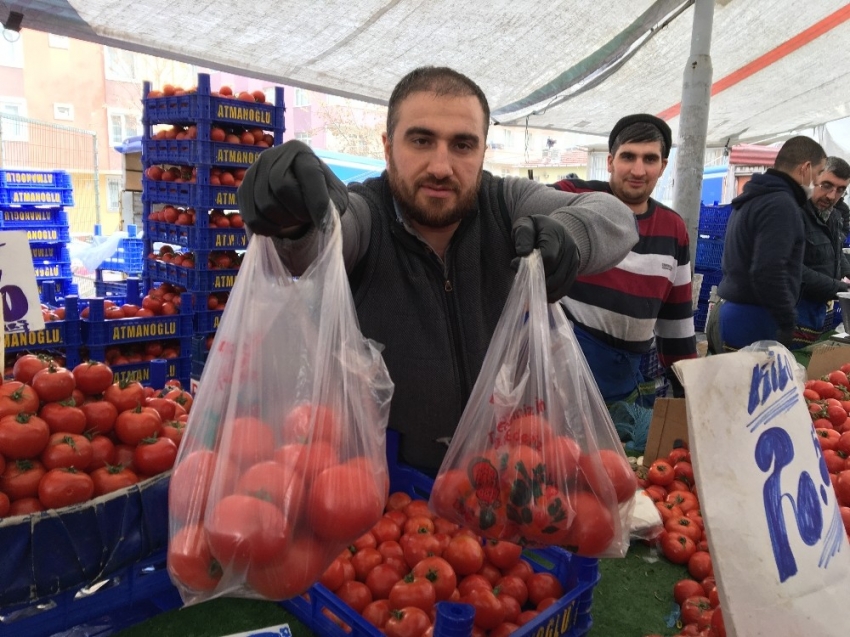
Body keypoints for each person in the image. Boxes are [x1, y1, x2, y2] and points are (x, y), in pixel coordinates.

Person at [237, 66, 638, 472]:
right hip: (383, 494)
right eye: (421, 140)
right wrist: (296, 220)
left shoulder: (504, 204)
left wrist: (571, 235)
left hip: (498, 485)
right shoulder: (366, 215)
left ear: (483, 153)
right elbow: (325, 239)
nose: (441, 166)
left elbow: (616, 218)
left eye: (462, 145)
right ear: (387, 146)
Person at [551, 114, 697, 404]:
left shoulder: (673, 228)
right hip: (559, 374)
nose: (638, 170)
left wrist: (688, 386)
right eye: (628, 156)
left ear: (663, 166)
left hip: (623, 382)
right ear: (610, 161)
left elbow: (676, 321)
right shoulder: (575, 196)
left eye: (650, 159)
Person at [716, 136, 827, 351]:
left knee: (739, 383)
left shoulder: (755, 197)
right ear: (805, 168)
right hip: (757, 316)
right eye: (819, 172)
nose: (818, 180)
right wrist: (786, 319)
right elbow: (768, 269)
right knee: (752, 383)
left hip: (738, 312)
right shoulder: (780, 204)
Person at [793, 156, 850, 347]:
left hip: (813, 313)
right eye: (826, 185)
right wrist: (842, 289)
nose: (832, 196)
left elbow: (834, 253)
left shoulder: (832, 216)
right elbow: (790, 269)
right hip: (788, 313)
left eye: (841, 190)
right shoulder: (792, 212)